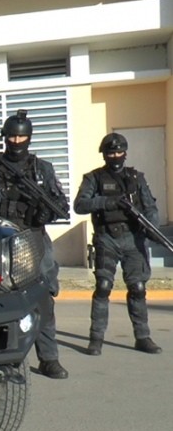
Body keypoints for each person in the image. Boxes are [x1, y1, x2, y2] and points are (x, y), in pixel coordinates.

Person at [0, 109, 69, 379]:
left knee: (44, 300)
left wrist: (44, 212)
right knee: (2, 301)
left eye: (21, 137)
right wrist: (5, 193)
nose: (17, 142)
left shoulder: (42, 169)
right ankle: (6, 362)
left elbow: (61, 203)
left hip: (34, 238)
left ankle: (49, 358)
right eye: (12, 136)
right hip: (3, 239)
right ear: (5, 137)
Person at [73, 133, 162, 355]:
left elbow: (150, 206)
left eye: (119, 152)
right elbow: (80, 205)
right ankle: (96, 339)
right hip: (107, 237)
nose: (115, 156)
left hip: (133, 238)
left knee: (138, 288)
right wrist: (108, 202)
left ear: (125, 153)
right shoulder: (93, 178)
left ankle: (142, 336)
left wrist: (151, 226)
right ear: (104, 154)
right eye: (111, 152)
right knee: (103, 287)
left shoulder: (136, 177)